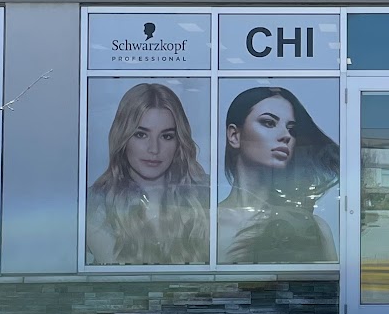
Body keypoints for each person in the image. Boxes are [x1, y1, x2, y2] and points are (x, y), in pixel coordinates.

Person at [86, 81, 210, 265]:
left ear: (179, 142)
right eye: (141, 134)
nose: (154, 149)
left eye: (166, 136)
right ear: (123, 137)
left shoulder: (206, 196)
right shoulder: (95, 204)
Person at [215, 85, 339, 264]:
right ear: (234, 135)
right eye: (269, 123)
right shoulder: (203, 224)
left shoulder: (315, 228)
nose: (286, 136)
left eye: (291, 129)